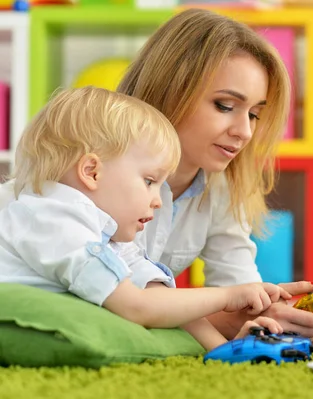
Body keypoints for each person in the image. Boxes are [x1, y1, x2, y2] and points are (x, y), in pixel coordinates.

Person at [115, 8, 313, 347]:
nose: (244, 132)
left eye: (254, 114)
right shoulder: (106, 177)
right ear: (168, 90)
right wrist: (230, 313)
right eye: (225, 106)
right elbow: (121, 295)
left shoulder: (221, 184)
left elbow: (240, 287)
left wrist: (308, 324)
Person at [0, 86, 289, 351]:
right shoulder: (52, 218)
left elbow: (160, 298)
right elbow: (137, 306)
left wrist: (227, 349)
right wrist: (227, 297)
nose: (158, 199)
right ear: (91, 172)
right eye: (149, 181)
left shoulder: (106, 234)